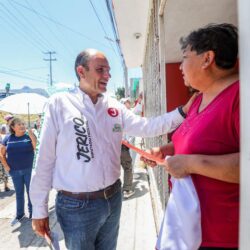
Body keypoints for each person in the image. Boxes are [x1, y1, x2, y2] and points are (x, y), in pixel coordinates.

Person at [30, 48, 193, 250]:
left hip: (113, 198)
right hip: (76, 208)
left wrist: (184, 111)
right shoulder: (59, 104)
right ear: (81, 71)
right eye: (101, 70)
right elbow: (43, 161)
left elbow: (147, 126)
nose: (107, 75)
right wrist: (39, 209)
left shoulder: (113, 106)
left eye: (108, 70)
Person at [142, 23, 239, 249]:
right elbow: (191, 142)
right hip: (187, 228)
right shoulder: (197, 99)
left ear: (207, 59)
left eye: (184, 57)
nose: (180, 67)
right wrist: (165, 151)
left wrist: (190, 163)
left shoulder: (239, 96)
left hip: (221, 236)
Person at [0, 117, 37, 226]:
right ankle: (20, 214)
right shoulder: (7, 138)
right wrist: (6, 167)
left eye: (23, 124)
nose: (22, 126)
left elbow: (36, 148)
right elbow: (1, 154)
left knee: (31, 192)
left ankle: (33, 214)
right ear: (13, 127)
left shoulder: (28, 136)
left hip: (29, 170)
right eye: (19, 124)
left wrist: (32, 135)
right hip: (14, 171)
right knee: (19, 193)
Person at [120, 97, 135, 198]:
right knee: (128, 167)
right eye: (126, 102)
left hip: (116, 146)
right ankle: (127, 189)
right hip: (123, 146)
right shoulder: (124, 116)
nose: (128, 104)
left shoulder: (116, 115)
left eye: (128, 102)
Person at [0, 125, 10, 192]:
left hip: (2, 155)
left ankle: (6, 186)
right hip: (2, 155)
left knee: (5, 172)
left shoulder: (2, 136)